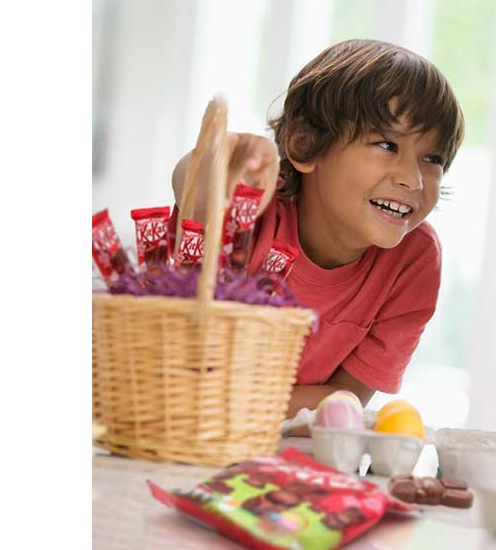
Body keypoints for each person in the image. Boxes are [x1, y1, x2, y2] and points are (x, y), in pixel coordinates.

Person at [171, 39, 465, 419]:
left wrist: (232, 405)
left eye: (432, 158)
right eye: (387, 144)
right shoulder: (252, 206)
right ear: (305, 145)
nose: (413, 180)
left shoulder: (414, 259)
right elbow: (190, 187)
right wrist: (216, 168)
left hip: (277, 448)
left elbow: (345, 401)